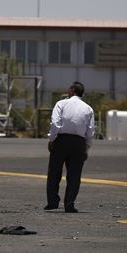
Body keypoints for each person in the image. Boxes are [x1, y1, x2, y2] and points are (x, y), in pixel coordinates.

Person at [44, 81, 94, 213]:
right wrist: (86, 148)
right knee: (74, 175)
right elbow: (90, 131)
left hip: (62, 140)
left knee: (54, 172)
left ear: (72, 90)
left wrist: (52, 139)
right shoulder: (88, 108)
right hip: (79, 143)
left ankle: (53, 202)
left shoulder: (61, 103)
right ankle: (69, 203)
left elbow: (55, 123)